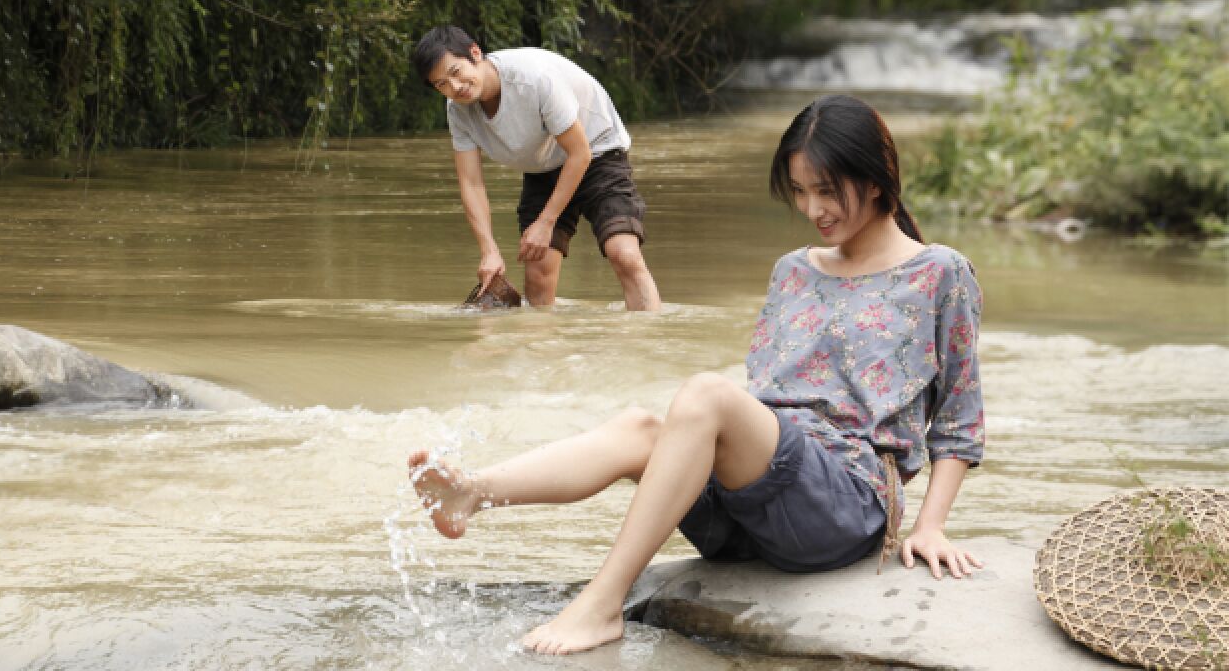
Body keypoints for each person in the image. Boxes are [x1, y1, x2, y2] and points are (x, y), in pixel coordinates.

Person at [407, 94, 986, 655]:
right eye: (802, 192)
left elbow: (958, 420)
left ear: (878, 178)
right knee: (641, 428)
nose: (814, 210)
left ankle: (602, 605)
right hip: (756, 508)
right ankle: (470, 495)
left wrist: (929, 526)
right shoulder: (793, 270)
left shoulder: (940, 273)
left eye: (828, 191)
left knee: (709, 393)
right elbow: (769, 403)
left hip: (845, 503)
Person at [411, 26, 662, 311]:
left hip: (597, 152)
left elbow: (580, 154)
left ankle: (647, 344)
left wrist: (546, 222)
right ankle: (540, 350)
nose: (455, 88)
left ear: (475, 53)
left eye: (456, 72)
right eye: (442, 84)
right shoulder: (458, 111)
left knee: (624, 254)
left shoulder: (534, 79)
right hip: (543, 166)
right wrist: (489, 251)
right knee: (538, 274)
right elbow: (471, 183)